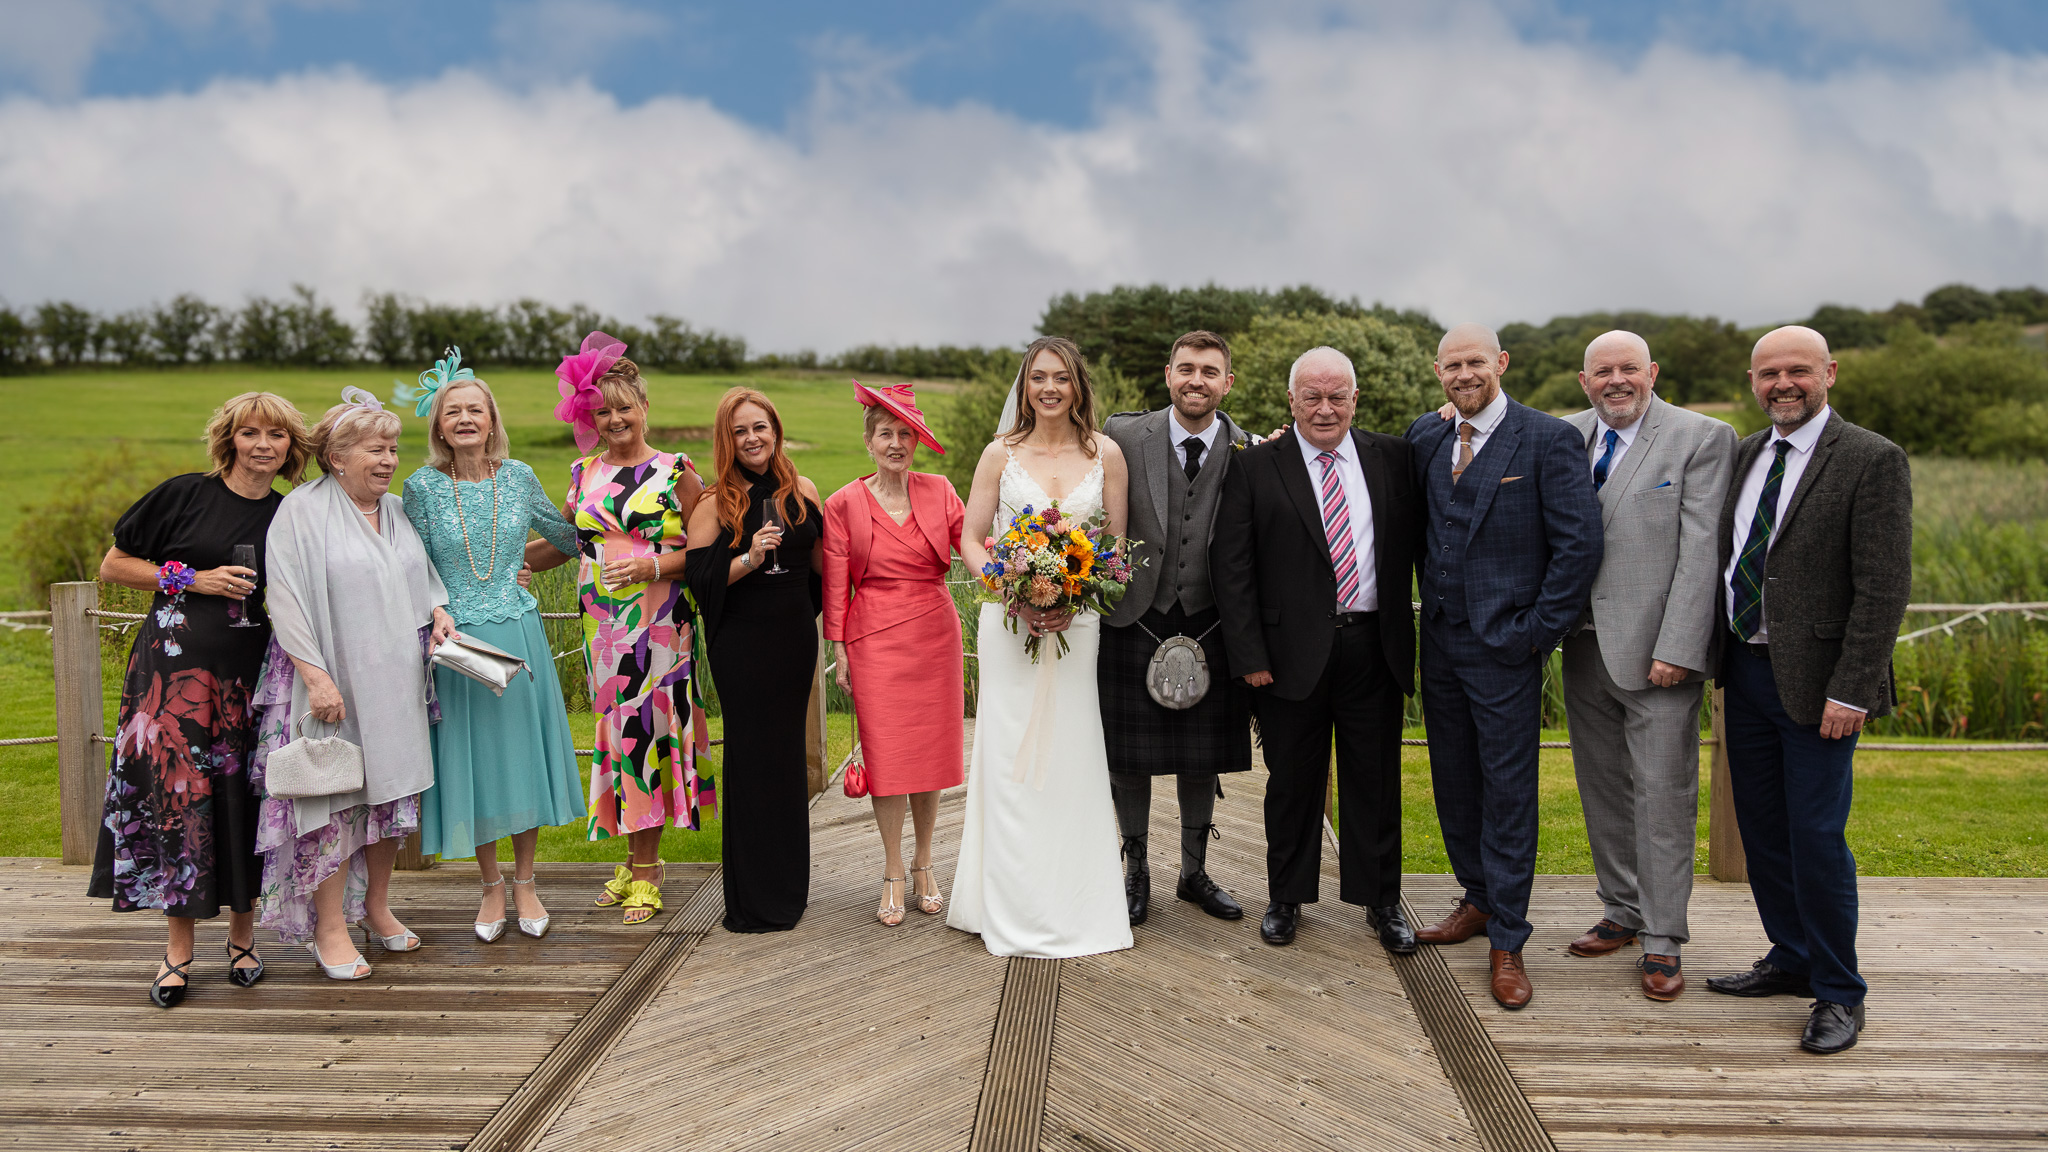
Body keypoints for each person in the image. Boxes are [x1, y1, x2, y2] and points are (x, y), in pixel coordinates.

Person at [1705, 325, 1911, 1055]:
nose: (1782, 384)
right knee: (1762, 831)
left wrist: (1853, 690)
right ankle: (1791, 957)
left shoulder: (1871, 459)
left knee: (1817, 838)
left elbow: (1883, 587)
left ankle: (1839, 991)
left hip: (1823, 686)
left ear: (1829, 373)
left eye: (1797, 370)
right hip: (1744, 672)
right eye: (1768, 373)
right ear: (1753, 382)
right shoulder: (1745, 454)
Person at [89, 391, 311, 1006]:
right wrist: (194, 579)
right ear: (229, 439)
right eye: (251, 433)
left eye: (277, 435)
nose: (263, 445)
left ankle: (243, 939)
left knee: (245, 799)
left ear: (291, 448)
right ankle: (177, 953)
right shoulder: (185, 495)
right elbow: (114, 565)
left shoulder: (289, 515)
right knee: (177, 800)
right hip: (171, 677)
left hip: (248, 676)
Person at [1405, 323, 1602, 1009]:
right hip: (1440, 644)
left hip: (1508, 648)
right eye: (1452, 365)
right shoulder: (1426, 436)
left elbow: (1578, 547)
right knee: (1453, 779)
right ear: (1438, 372)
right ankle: (1478, 899)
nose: (1464, 374)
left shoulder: (1548, 439)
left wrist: (1535, 634)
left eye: (1475, 362)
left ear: (1501, 363)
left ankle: (1509, 938)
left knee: (1509, 791)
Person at [1212, 347, 1422, 953]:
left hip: (1374, 647)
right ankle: (1286, 897)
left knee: (1374, 781)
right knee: (1292, 783)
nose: (1325, 409)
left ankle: (1381, 902)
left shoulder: (1395, 457)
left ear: (1355, 400)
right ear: (1292, 400)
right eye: (1312, 397)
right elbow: (1232, 568)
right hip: (1286, 657)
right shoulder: (1255, 467)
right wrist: (1249, 655)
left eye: (1337, 397)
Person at [250, 388, 457, 980]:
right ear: (337, 457)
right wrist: (317, 679)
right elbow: (284, 598)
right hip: (332, 681)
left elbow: (421, 576)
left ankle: (376, 907)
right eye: (375, 449)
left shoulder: (395, 510)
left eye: (393, 448)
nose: (389, 460)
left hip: (397, 682)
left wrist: (438, 609)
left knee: (391, 797)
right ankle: (330, 929)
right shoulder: (303, 511)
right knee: (335, 799)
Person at [1555, 331, 1736, 1001]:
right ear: (1584, 382)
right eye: (1602, 371)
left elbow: (1701, 551)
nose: (1616, 380)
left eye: (1628, 368)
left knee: (1663, 796)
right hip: (1582, 647)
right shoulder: (1565, 436)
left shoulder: (1701, 437)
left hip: (1660, 655)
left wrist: (1680, 647)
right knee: (1601, 787)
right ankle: (1622, 909)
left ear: (1652, 372)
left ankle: (1663, 937)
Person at [947, 336, 1134, 959]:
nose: (1049, 388)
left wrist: (1075, 595)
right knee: (1008, 757)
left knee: (1072, 753)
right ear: (1024, 387)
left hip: (1077, 626)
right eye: (1038, 378)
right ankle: (1007, 902)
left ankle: (1075, 903)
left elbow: (1114, 547)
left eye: (1061, 378)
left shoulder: (1106, 454)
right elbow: (971, 540)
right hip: (1008, 624)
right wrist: (1012, 591)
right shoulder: (998, 455)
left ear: (1078, 385)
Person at [400, 351, 585, 941]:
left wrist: (591, 498)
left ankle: (526, 881)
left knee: (522, 758)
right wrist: (435, 611)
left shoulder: (520, 476)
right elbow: (412, 565)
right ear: (439, 425)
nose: (464, 419)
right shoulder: (421, 487)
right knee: (475, 761)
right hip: (458, 642)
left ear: (491, 419)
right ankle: (490, 886)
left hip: (519, 633)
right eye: (452, 411)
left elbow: (568, 539)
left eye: (474, 410)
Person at [526, 333, 708, 926]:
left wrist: (653, 566)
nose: (614, 420)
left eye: (624, 407)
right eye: (602, 412)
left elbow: (707, 553)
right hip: (602, 627)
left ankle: (649, 871)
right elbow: (564, 543)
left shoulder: (676, 473)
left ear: (644, 407)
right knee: (620, 734)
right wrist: (502, 565)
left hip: (659, 625)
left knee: (646, 733)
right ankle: (631, 863)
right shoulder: (584, 472)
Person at [1098, 331, 1255, 927]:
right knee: (1128, 758)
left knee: (1199, 758)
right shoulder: (1122, 435)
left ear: (1227, 383)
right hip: (1133, 615)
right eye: (1186, 368)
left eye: (1209, 372)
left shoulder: (1249, 448)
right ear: (1168, 374)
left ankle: (1193, 874)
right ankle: (1135, 870)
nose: (1196, 380)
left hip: (1210, 621)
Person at [824, 382, 966, 925]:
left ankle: (925, 862)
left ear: (916, 442)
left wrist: (1020, 573)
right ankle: (891, 869)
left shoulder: (940, 491)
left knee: (928, 755)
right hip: (874, 639)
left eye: (906, 434)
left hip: (935, 633)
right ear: (869, 441)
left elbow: (974, 546)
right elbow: (835, 584)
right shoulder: (842, 504)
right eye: (886, 434)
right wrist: (839, 648)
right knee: (886, 757)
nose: (896, 444)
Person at [685, 387, 824, 933]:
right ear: (727, 439)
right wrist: (749, 556)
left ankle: (789, 888)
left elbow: (820, 566)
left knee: (787, 757)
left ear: (775, 429)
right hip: (742, 645)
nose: (751, 438)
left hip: (793, 639)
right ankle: (752, 898)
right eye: (740, 431)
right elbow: (700, 580)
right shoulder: (714, 502)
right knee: (751, 756)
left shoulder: (802, 490)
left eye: (759, 427)